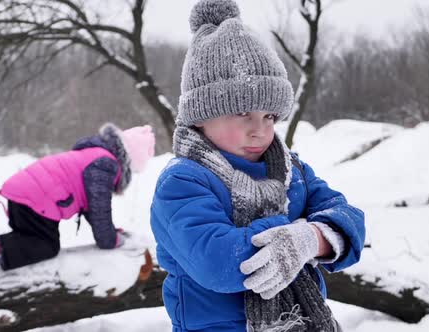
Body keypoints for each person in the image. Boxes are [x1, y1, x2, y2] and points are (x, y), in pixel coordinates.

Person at [149, 1, 365, 331]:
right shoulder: (183, 181)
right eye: (243, 114)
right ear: (201, 116)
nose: (259, 130)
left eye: (269, 117)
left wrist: (310, 238)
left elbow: (348, 219)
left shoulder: (291, 171)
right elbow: (218, 262)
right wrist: (286, 231)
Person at [0, 123, 155, 277]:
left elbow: (90, 206)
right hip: (37, 198)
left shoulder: (93, 155)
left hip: (23, 193)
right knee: (46, 246)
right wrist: (109, 240)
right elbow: (99, 210)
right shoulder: (105, 165)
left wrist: (109, 232)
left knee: (28, 238)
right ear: (129, 162)